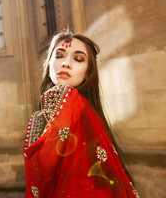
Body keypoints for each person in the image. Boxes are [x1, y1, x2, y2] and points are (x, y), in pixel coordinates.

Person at [23, 29, 139, 197]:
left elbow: (44, 167)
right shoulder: (82, 109)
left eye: (78, 59)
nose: (66, 63)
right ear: (48, 64)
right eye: (59, 55)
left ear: (88, 73)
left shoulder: (70, 99)